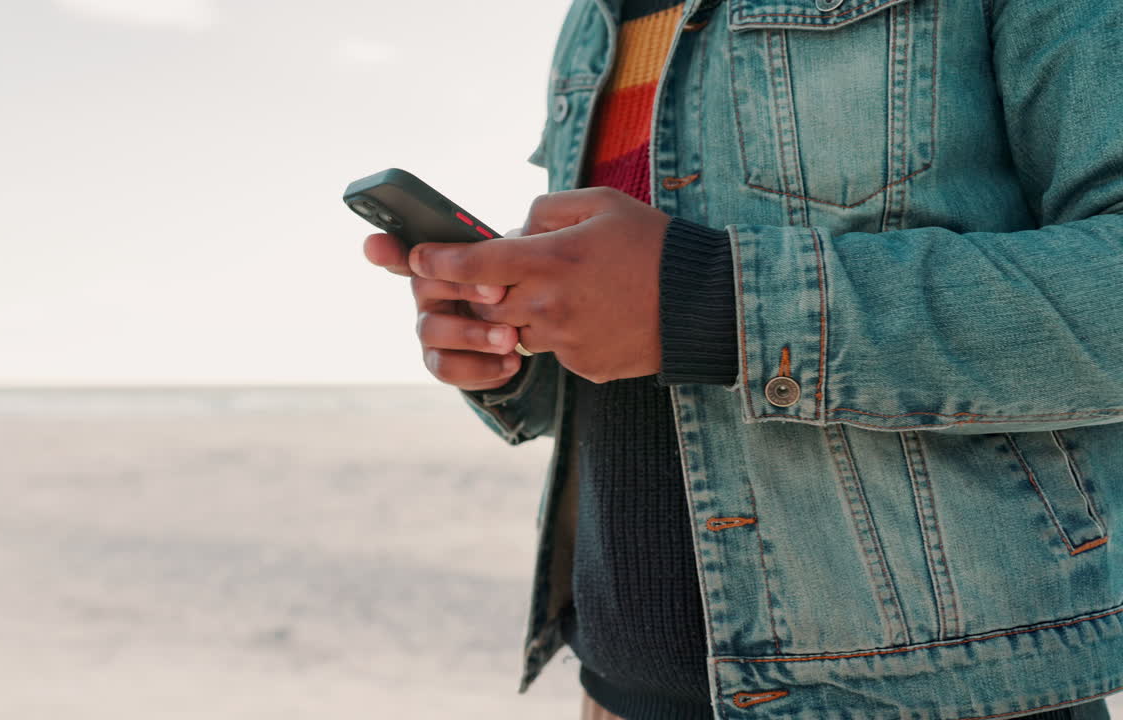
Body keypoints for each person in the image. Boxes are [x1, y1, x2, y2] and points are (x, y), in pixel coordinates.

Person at [363, 0, 1123, 717]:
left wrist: (715, 301)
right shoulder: (594, 18)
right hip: (613, 689)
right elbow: (644, 348)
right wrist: (519, 345)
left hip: (924, 696)